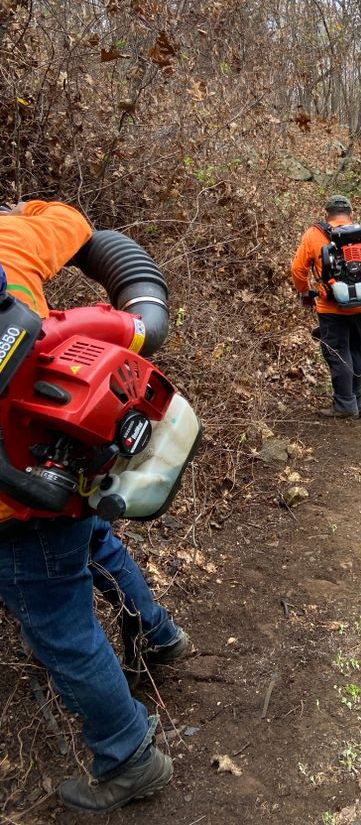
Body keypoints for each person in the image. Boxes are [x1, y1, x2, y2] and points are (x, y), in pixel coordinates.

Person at [0, 199, 188, 814]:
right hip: (74, 467)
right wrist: (27, 208)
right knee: (95, 542)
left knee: (59, 624)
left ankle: (129, 755)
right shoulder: (12, 237)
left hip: (21, 508)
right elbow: (75, 223)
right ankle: (158, 635)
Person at [291, 195, 361, 420]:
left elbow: (298, 270)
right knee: (357, 350)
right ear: (351, 214)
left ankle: (345, 405)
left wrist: (305, 292)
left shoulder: (314, 235)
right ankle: (356, 397)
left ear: (326, 214)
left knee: (337, 352)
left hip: (330, 307)